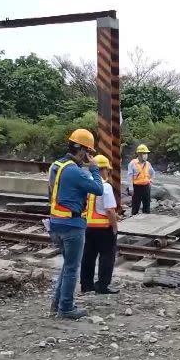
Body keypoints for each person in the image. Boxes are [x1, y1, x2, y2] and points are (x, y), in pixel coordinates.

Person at [48, 128, 104, 320]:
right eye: (89, 153)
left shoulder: (57, 165)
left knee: (67, 266)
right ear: (82, 150)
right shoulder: (74, 171)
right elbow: (98, 188)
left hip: (56, 222)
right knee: (72, 268)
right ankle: (66, 308)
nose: (89, 157)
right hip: (71, 225)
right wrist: (94, 168)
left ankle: (57, 304)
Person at [79, 154, 120, 295]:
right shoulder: (106, 187)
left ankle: (86, 285)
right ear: (103, 170)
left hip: (89, 226)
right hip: (104, 228)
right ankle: (102, 285)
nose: (108, 173)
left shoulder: (87, 184)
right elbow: (109, 210)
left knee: (88, 256)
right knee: (107, 257)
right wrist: (115, 227)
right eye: (107, 170)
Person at [127, 144, 155, 215]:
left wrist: (151, 180)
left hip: (146, 187)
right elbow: (129, 176)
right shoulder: (132, 163)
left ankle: (146, 220)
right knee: (135, 205)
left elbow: (153, 173)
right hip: (136, 187)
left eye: (146, 153)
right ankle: (134, 219)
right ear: (139, 154)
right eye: (144, 153)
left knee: (147, 205)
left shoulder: (148, 164)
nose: (146, 155)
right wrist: (131, 188)